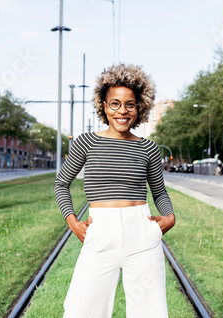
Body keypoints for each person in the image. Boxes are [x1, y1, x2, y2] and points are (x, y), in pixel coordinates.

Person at [54, 63, 176, 318]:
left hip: (142, 236)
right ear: (104, 106)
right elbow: (61, 184)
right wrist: (72, 222)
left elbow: (159, 192)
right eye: (115, 104)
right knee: (81, 311)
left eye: (130, 104)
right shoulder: (86, 142)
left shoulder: (149, 148)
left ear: (139, 107)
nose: (122, 111)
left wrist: (169, 217)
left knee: (149, 312)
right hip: (100, 235)